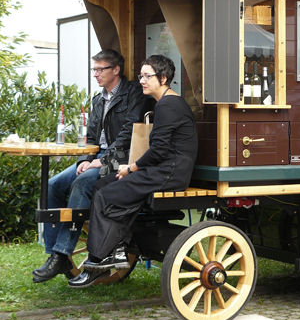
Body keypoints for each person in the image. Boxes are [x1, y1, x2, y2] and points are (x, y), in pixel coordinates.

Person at [68, 54, 198, 288]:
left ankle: (98, 259)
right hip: (161, 169)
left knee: (108, 194)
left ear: (164, 78)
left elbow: (159, 150)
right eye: (141, 76)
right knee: (102, 185)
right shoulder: (165, 103)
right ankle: (116, 249)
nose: (142, 81)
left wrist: (132, 168)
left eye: (148, 76)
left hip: (170, 173)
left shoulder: (170, 105)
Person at [32, 49, 151, 283]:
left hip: (122, 158)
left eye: (100, 69)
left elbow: (129, 134)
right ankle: (56, 255)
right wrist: (84, 159)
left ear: (115, 70)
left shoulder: (134, 94)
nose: (95, 74)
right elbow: (91, 137)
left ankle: (61, 253)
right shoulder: (99, 99)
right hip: (97, 156)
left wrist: (102, 161)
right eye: (93, 70)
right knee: (52, 185)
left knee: (83, 183)